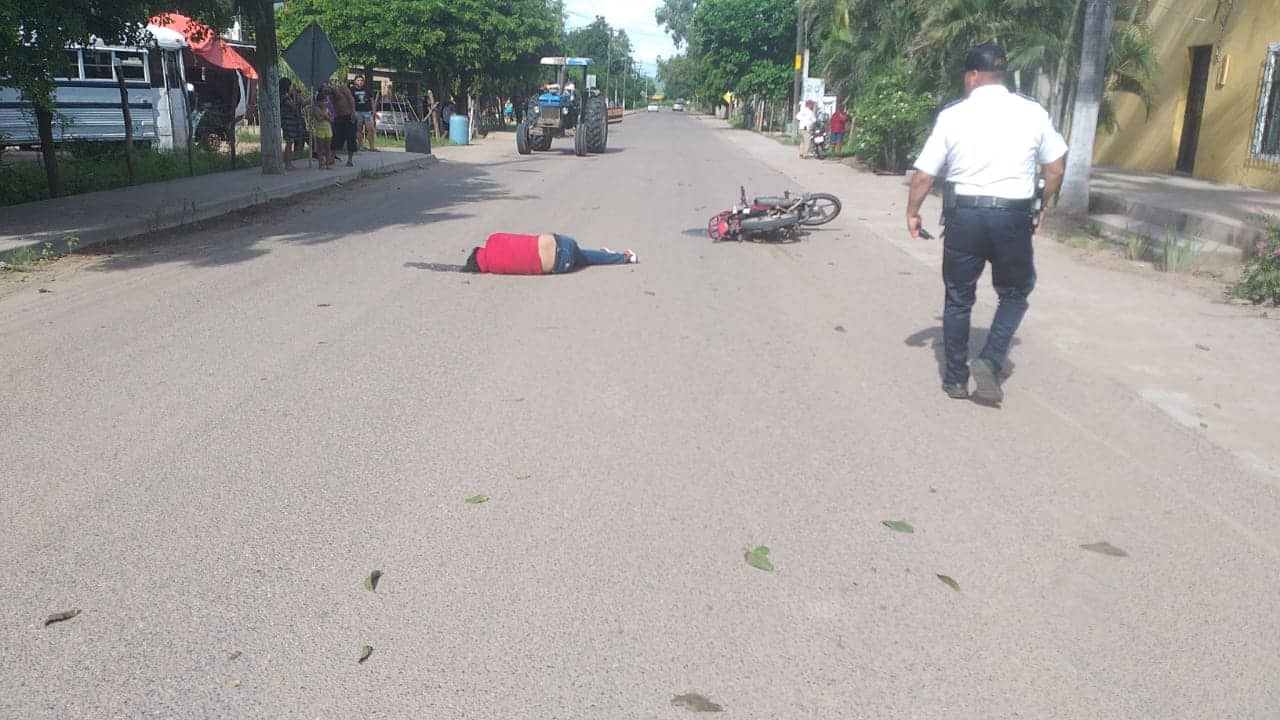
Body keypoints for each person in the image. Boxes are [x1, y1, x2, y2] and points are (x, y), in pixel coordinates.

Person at [906, 42, 1067, 405]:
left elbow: (924, 175)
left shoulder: (953, 116)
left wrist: (912, 212)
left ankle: (956, 380)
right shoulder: (1033, 112)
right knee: (1015, 292)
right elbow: (1055, 166)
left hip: (965, 217)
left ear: (974, 75)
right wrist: (1041, 206)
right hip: (1013, 215)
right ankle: (991, 360)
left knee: (959, 297)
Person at [462, 233, 637, 275]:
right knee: (578, 253)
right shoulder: (494, 239)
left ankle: (620, 257)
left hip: (559, 266)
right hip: (561, 244)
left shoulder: (494, 269)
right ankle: (618, 256)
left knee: (580, 258)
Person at [279, 78, 306, 171]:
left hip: (290, 120)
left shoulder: (285, 96)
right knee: (289, 142)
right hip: (286, 121)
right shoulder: (284, 97)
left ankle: (289, 163)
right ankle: (287, 164)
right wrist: (294, 96)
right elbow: (293, 106)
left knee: (290, 142)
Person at [331, 79, 358, 166]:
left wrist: (353, 113)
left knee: (350, 137)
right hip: (338, 117)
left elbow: (351, 99)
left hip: (348, 115)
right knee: (335, 137)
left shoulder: (342, 88)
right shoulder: (331, 95)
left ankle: (350, 160)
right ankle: (332, 157)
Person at [308, 86, 334, 169]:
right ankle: (320, 163)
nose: (324, 103)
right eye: (323, 101)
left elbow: (331, 119)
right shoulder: (315, 109)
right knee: (320, 147)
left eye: (325, 101)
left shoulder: (327, 109)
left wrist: (325, 116)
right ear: (318, 102)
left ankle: (327, 163)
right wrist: (325, 116)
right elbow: (318, 119)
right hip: (320, 129)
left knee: (328, 147)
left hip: (328, 129)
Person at [350, 75, 378, 151]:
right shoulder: (352, 90)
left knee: (370, 129)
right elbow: (350, 101)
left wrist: (374, 110)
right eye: (358, 80)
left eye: (361, 80)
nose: (360, 82)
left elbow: (372, 99)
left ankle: (372, 146)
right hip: (357, 111)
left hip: (367, 111)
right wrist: (352, 111)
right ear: (355, 81)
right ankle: (360, 146)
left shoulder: (367, 89)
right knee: (359, 129)